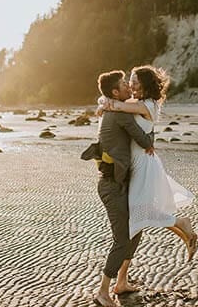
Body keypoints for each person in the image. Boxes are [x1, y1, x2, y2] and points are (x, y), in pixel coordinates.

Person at [97, 65, 197, 264]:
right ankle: (122, 278)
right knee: (138, 216)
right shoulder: (138, 102)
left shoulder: (148, 105)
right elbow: (108, 100)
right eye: (130, 81)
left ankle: (182, 223)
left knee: (141, 212)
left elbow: (117, 105)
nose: (131, 84)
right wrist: (102, 103)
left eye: (134, 80)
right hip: (136, 163)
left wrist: (105, 105)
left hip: (143, 163)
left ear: (144, 83)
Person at [81, 70, 155, 307]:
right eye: (124, 84)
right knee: (122, 240)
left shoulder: (111, 108)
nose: (127, 87)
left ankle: (120, 284)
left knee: (135, 231)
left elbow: (108, 103)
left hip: (117, 183)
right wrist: (150, 136)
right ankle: (103, 292)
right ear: (115, 92)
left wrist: (104, 102)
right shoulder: (119, 114)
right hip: (112, 186)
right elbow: (145, 141)